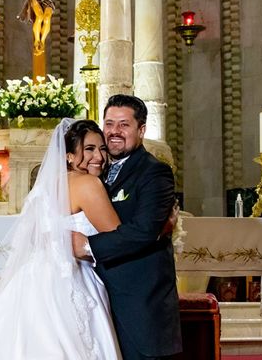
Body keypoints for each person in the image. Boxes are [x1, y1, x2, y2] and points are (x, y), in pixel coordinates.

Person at [0, 118, 123, 359]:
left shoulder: (46, 187)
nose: (99, 156)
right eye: (89, 149)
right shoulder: (89, 184)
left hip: (32, 278)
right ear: (68, 155)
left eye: (102, 148)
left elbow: (36, 235)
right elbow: (119, 237)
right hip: (72, 278)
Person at [73, 94, 183, 359]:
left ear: (141, 129)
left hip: (140, 302)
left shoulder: (154, 173)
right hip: (96, 297)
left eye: (124, 125)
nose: (114, 132)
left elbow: (144, 231)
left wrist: (87, 245)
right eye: (109, 124)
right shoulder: (93, 170)